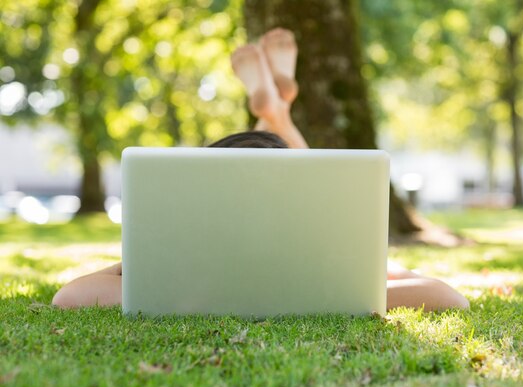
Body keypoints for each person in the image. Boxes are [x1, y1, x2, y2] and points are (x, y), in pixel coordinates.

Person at [52, 28, 469, 312]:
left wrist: (130, 266)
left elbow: (69, 296)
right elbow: (448, 297)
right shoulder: (324, 259)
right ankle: (277, 111)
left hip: (227, 249)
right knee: (291, 171)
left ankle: (275, 109)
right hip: (307, 239)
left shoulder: (186, 270)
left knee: (282, 166)